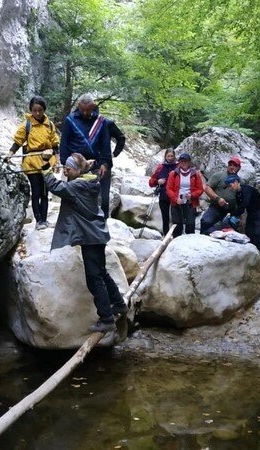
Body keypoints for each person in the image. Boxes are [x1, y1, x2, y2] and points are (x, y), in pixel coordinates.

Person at [42, 152, 127, 333]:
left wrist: (45, 167)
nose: (65, 170)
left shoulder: (78, 185)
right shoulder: (89, 181)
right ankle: (119, 304)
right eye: (64, 167)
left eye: (69, 168)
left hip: (91, 237)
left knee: (94, 279)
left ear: (78, 170)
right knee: (101, 273)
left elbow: (55, 187)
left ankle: (106, 319)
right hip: (96, 235)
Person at [59, 94, 126, 219]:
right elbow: (64, 143)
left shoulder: (102, 122)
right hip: (76, 165)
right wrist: (66, 163)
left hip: (99, 164)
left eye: (88, 110)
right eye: (82, 109)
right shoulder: (70, 120)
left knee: (103, 200)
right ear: (78, 106)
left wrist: (107, 161)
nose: (84, 113)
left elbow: (107, 143)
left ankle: (101, 227)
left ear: (93, 107)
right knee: (74, 197)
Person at [6, 96, 60, 230]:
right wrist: (10, 154)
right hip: (31, 162)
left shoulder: (50, 125)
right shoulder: (27, 125)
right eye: (34, 110)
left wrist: (58, 160)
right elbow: (18, 142)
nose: (37, 113)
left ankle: (44, 220)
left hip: (47, 160)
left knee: (45, 192)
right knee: (36, 192)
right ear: (31, 110)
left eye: (40, 110)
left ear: (44, 110)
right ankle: (39, 221)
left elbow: (55, 144)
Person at [224, 175, 260, 254]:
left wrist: (231, 214)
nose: (229, 188)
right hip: (251, 214)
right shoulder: (238, 194)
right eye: (228, 187)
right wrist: (232, 215)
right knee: (249, 235)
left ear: (236, 182)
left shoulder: (246, 189)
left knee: (259, 235)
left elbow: (244, 204)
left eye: (230, 185)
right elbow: (241, 209)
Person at [200, 155, 242, 235]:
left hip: (231, 211)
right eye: (230, 165)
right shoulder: (219, 175)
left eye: (235, 166)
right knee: (205, 221)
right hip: (216, 207)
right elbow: (207, 188)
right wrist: (218, 199)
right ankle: (203, 239)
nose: (232, 167)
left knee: (230, 228)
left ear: (239, 168)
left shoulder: (240, 181)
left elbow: (242, 199)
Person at [165, 153, 204, 237]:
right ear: (179, 162)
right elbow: (168, 189)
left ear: (189, 162)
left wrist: (192, 195)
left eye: (185, 161)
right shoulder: (173, 174)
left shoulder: (195, 174)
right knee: (177, 225)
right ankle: (176, 242)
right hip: (177, 202)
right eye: (182, 161)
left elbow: (200, 189)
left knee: (190, 224)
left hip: (190, 202)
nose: (183, 163)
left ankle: (190, 243)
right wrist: (176, 199)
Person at [148, 149, 178, 236]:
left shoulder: (178, 167)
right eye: (168, 156)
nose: (170, 158)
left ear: (174, 156)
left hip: (175, 197)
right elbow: (151, 182)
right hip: (164, 195)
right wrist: (158, 181)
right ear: (165, 156)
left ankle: (176, 235)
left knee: (176, 217)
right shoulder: (160, 167)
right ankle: (166, 235)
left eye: (172, 156)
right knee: (165, 218)